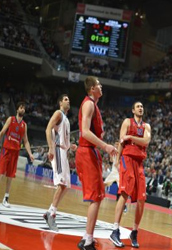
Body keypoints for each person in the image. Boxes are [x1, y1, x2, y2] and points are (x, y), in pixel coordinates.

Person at [76, 76, 117, 250]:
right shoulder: (89, 104)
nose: (101, 86)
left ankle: (87, 237)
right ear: (92, 89)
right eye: (99, 84)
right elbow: (85, 132)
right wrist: (105, 146)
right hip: (87, 152)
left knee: (98, 197)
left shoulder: (94, 105)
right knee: (95, 198)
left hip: (91, 152)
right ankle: (87, 241)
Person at [110, 101, 151, 248]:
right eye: (138, 106)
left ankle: (134, 231)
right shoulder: (127, 122)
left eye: (142, 106)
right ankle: (115, 230)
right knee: (125, 193)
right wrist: (117, 161)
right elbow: (122, 140)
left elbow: (146, 141)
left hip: (139, 163)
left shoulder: (147, 126)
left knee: (142, 199)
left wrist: (131, 138)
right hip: (127, 159)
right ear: (133, 110)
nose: (141, 108)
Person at [43, 94, 77, 231]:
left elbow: (63, 138)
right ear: (60, 103)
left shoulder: (67, 119)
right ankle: (52, 215)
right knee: (62, 184)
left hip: (63, 151)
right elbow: (48, 129)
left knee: (66, 185)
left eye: (69, 99)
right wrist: (51, 148)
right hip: (57, 150)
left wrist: (70, 146)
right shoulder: (58, 113)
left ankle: (49, 212)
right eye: (65, 99)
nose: (68, 101)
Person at [0, 102, 34, 207]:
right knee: (1, 173)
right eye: (21, 107)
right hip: (6, 150)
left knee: (10, 176)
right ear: (17, 109)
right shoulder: (11, 119)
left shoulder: (24, 125)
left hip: (15, 152)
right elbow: (2, 132)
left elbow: (26, 141)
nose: (22, 109)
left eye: (24, 108)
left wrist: (30, 154)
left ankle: (6, 198)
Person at [104, 141, 127, 213]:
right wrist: (110, 155)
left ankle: (124, 205)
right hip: (113, 172)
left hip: (119, 174)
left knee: (122, 190)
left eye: (118, 145)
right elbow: (111, 160)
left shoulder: (122, 154)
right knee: (104, 184)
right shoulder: (114, 153)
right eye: (115, 144)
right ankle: (96, 196)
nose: (116, 146)